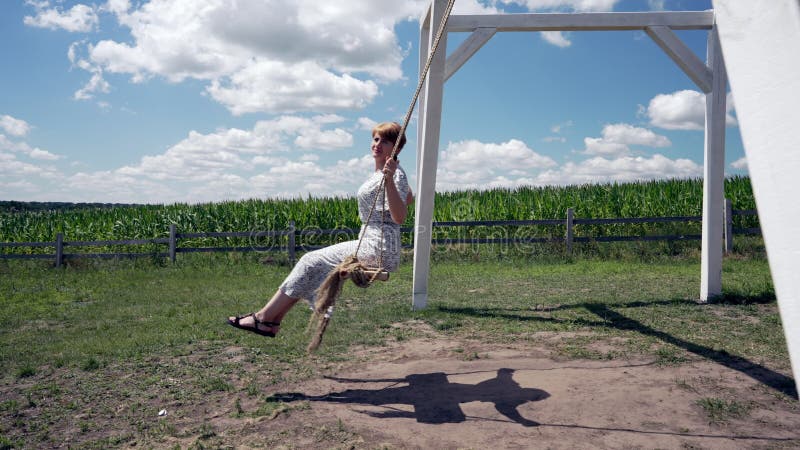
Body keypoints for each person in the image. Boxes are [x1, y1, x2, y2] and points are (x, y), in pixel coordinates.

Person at [228, 122, 412, 337]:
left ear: (397, 148)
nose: (377, 144)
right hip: (372, 241)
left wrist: (391, 179)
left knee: (310, 261)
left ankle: (264, 318)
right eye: (376, 139)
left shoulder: (392, 175)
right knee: (312, 265)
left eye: (385, 141)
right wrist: (394, 175)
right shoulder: (388, 173)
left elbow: (399, 217)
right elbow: (408, 197)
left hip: (378, 246)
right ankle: (271, 321)